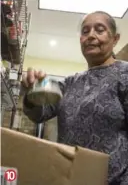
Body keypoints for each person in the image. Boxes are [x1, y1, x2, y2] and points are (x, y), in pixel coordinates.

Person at [22, 11, 128, 185]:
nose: (91, 35)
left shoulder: (124, 75)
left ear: (115, 39)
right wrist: (31, 93)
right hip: (69, 179)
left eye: (99, 30)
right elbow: (39, 114)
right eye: (85, 31)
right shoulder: (70, 83)